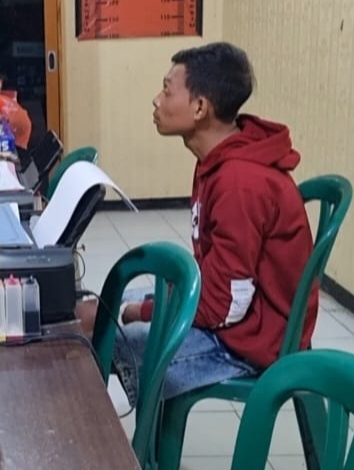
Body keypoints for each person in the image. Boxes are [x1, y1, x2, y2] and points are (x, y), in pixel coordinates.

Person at [112, 42, 315, 405]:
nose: (156, 100)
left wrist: (144, 312)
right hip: (238, 316)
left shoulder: (239, 182)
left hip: (252, 344)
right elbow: (218, 276)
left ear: (200, 108)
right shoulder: (216, 159)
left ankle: (131, 438)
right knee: (108, 302)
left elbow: (224, 306)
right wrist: (145, 304)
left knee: (108, 336)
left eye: (167, 90)